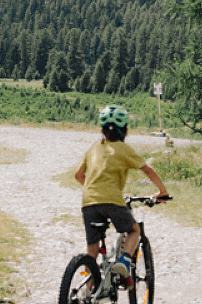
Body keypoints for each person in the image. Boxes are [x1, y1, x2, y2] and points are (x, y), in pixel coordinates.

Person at [73, 104, 170, 282]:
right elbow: (148, 170)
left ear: (102, 130)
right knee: (134, 230)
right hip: (112, 201)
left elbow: (78, 175)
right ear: (125, 131)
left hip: (88, 202)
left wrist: (93, 188)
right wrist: (162, 191)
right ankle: (125, 261)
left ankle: (88, 294)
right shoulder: (123, 149)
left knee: (92, 250)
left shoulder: (94, 148)